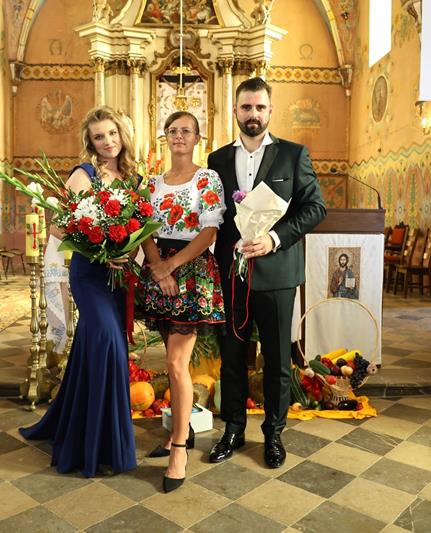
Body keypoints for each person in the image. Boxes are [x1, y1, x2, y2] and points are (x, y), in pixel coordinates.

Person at [207, 77, 326, 468]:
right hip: (232, 274)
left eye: (260, 107)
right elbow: (213, 216)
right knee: (232, 358)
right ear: (235, 110)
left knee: (276, 360)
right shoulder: (217, 160)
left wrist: (274, 238)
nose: (253, 114)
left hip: (276, 275)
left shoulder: (293, 155)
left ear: (270, 110)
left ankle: (274, 434)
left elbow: (315, 208)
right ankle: (233, 430)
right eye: (246, 107)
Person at [19, 106, 138, 478]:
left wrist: (127, 251)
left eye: (112, 134)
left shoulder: (132, 177)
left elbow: (139, 226)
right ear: (90, 142)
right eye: (99, 136)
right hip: (90, 275)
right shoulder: (83, 175)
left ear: (121, 135)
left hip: (118, 277)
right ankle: (93, 445)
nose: (107, 142)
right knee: (107, 343)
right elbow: (60, 229)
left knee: (96, 347)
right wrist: (101, 249)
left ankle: (83, 430)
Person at [137, 111, 226, 492]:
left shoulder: (207, 179)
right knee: (172, 363)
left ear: (197, 138)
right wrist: (158, 267)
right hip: (159, 270)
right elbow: (143, 228)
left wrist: (171, 266)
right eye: (172, 130)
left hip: (191, 271)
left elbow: (209, 232)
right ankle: (182, 428)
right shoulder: (152, 183)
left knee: (176, 363)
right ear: (166, 137)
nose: (179, 136)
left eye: (186, 130)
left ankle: (178, 450)